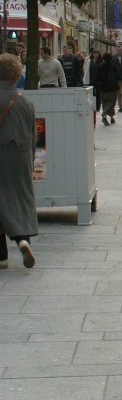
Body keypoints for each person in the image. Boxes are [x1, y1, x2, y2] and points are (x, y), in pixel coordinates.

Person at [0, 53, 39, 269]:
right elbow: (33, 136)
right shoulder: (26, 103)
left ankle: (2, 257)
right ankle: (24, 240)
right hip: (21, 156)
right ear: (16, 75)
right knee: (21, 199)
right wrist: (30, 159)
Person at [96, 52, 121, 126]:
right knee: (111, 103)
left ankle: (111, 117)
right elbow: (118, 77)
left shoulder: (100, 67)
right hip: (113, 88)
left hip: (103, 89)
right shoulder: (113, 67)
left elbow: (97, 78)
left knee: (105, 103)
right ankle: (105, 115)